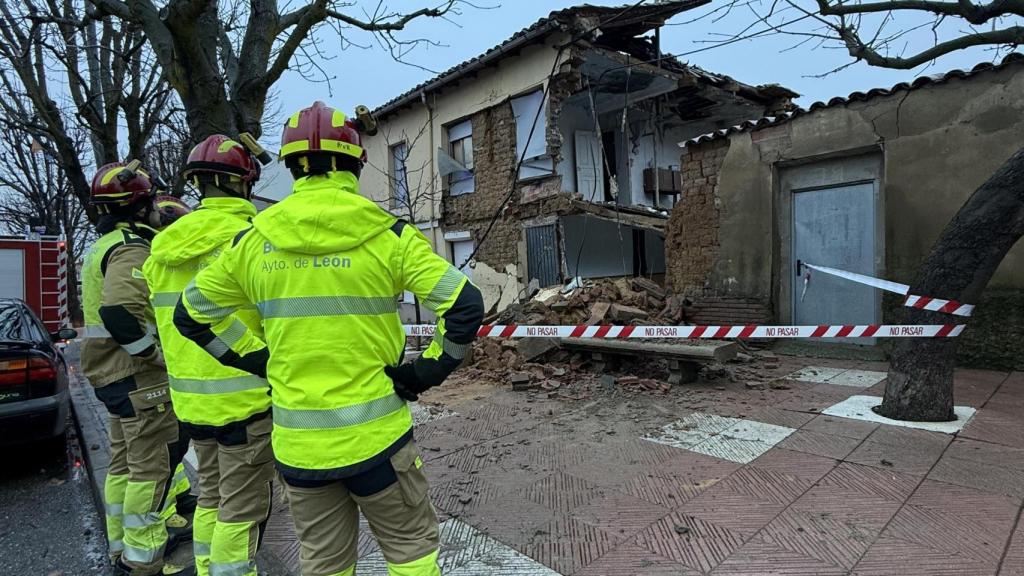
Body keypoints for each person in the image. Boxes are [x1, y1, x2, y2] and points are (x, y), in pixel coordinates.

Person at [173, 101, 484, 576]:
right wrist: (424, 372)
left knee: (324, 564)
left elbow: (191, 315)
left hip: (300, 450)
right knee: (411, 555)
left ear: (292, 167)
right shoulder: (388, 235)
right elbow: (464, 305)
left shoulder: (251, 243)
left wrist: (259, 359)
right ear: (355, 164)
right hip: (378, 441)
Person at [143, 136, 273, 576]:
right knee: (242, 508)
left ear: (197, 183)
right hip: (247, 401)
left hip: (192, 403)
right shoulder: (253, 240)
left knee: (212, 498)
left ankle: (206, 567)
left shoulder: (162, 250)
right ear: (244, 182)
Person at [80, 162, 194, 576]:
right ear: (139, 206)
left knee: (125, 464)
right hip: (136, 377)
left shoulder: (104, 245)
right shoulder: (131, 248)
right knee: (152, 469)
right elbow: (119, 313)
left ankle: (121, 547)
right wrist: (155, 356)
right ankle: (143, 560)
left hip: (110, 374)